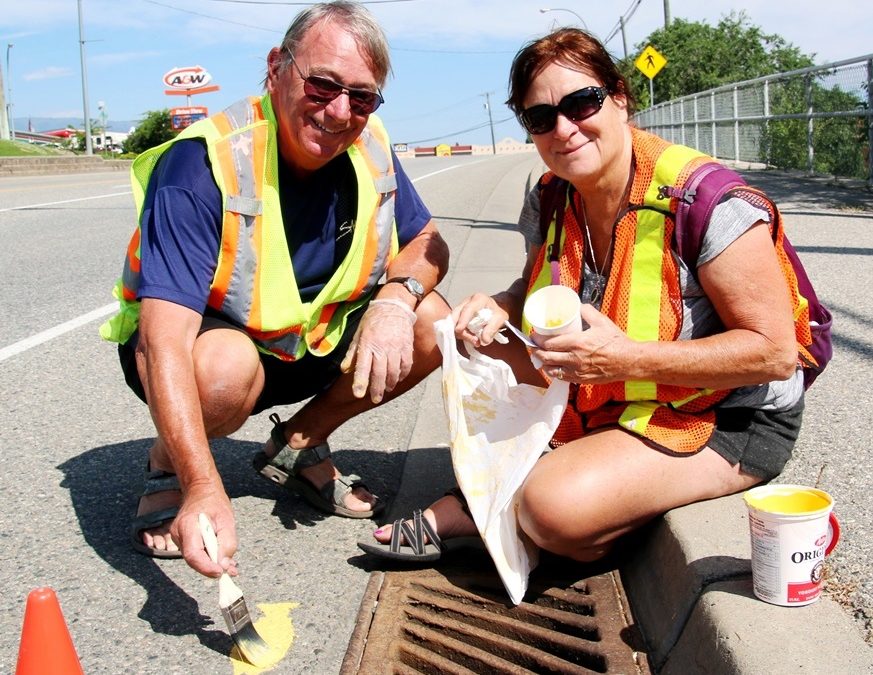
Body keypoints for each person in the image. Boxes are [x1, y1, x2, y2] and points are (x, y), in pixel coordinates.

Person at [360, 27, 805, 564]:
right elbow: (532, 286)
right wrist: (500, 305)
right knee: (472, 360)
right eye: (540, 118)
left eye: (581, 102)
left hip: (725, 415)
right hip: (615, 394)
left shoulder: (708, 202)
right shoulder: (551, 197)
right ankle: (548, 491)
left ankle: (507, 514)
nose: (564, 129)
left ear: (619, 96)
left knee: (554, 508)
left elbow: (774, 354)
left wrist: (624, 358)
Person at [101, 1, 450, 577]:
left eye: (361, 97)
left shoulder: (369, 143)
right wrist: (202, 489)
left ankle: (299, 440)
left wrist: (395, 299)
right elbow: (159, 344)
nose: (339, 112)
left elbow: (427, 240)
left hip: (304, 340)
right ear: (276, 69)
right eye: (321, 86)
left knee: (433, 320)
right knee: (222, 370)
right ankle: (171, 465)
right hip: (213, 348)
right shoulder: (204, 163)